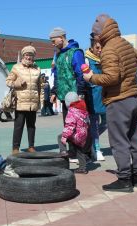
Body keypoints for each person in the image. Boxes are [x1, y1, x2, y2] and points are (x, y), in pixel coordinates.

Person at [83, 14, 137, 192]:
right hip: (134, 99)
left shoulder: (109, 49)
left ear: (100, 33)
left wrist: (91, 77)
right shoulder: (125, 44)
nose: (95, 38)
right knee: (135, 139)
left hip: (119, 101)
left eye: (95, 34)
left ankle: (124, 179)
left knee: (119, 142)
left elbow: (112, 77)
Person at [49, 27, 88, 161]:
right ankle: (72, 152)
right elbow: (57, 75)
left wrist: (81, 93)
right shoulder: (58, 55)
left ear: (62, 37)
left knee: (78, 128)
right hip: (63, 97)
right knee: (68, 125)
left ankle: (83, 156)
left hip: (75, 97)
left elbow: (80, 73)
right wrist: (54, 91)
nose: (52, 43)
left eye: (54, 40)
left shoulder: (75, 53)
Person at [6, 45, 41, 155]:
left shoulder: (37, 69)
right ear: (23, 56)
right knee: (18, 126)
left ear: (33, 57)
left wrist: (41, 100)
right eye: (27, 55)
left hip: (33, 102)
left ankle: (31, 146)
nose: (29, 57)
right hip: (20, 102)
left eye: (31, 55)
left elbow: (39, 86)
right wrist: (17, 83)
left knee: (31, 126)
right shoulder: (16, 67)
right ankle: (15, 148)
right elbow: (8, 81)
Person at [84, 36, 107, 161]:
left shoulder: (106, 59)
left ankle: (91, 139)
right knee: (95, 124)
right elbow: (84, 78)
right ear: (92, 48)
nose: (100, 50)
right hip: (92, 96)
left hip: (105, 96)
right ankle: (97, 149)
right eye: (97, 47)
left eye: (101, 47)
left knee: (107, 122)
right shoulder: (87, 60)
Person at [58, 92, 90, 174]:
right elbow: (87, 122)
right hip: (83, 135)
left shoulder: (71, 111)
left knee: (60, 137)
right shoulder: (83, 110)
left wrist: (64, 137)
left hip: (76, 135)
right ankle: (83, 168)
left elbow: (69, 126)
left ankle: (63, 151)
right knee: (80, 150)